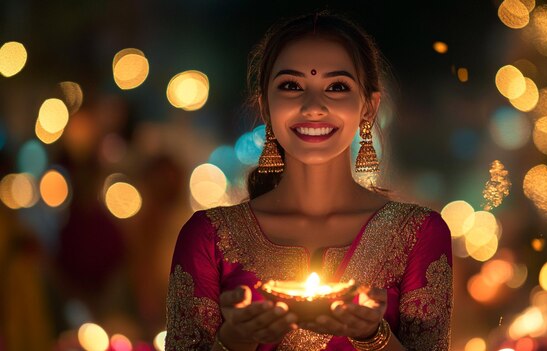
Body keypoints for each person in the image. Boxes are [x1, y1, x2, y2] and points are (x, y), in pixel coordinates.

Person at [165, 11, 452, 351]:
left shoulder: (420, 233)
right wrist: (236, 339)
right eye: (291, 86)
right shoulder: (208, 237)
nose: (313, 106)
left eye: (336, 87)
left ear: (368, 108)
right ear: (265, 106)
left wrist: (372, 337)